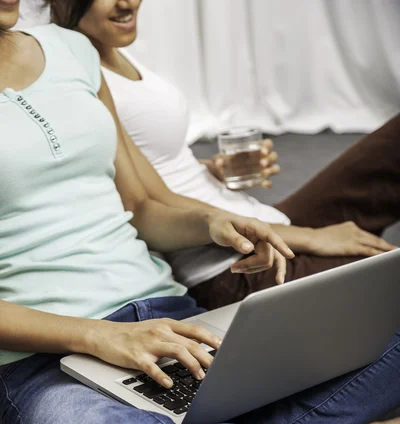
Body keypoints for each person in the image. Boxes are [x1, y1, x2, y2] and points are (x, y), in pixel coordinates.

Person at [1, 0, 400, 424]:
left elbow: (142, 204)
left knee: (383, 320)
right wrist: (96, 336)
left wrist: (212, 221)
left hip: (176, 318)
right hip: (46, 364)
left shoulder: (71, 52)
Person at [46, 0, 400, 309]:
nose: (128, 3)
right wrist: (311, 237)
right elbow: (140, 202)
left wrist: (210, 170)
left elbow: (151, 166)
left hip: (257, 219)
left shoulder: (111, 49)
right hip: (232, 265)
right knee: (387, 280)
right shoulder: (78, 70)